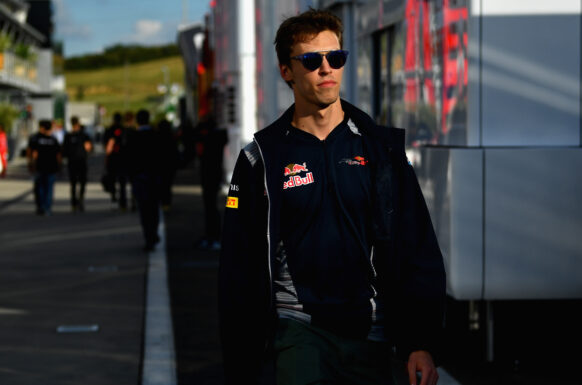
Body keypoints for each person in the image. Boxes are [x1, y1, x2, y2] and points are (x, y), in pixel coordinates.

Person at [218, 9, 446, 385]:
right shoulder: (261, 156)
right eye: (312, 60)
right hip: (298, 331)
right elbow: (237, 271)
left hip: (371, 332)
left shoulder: (382, 150)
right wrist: (241, 365)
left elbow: (416, 246)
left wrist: (419, 343)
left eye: (335, 58)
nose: (326, 69)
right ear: (286, 71)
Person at [126, 109, 165, 251]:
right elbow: (163, 158)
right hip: (154, 178)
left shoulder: (133, 137)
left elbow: (128, 159)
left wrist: (131, 177)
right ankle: (152, 234)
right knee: (154, 209)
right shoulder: (156, 135)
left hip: (140, 178)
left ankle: (149, 237)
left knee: (144, 210)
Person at [195, 115, 227, 250]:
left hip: (209, 176)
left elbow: (197, 136)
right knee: (212, 207)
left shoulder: (210, 139)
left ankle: (213, 236)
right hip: (215, 175)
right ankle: (212, 235)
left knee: (210, 208)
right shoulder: (218, 137)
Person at [27, 119, 62, 215]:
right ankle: (47, 207)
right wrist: (59, 166)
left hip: (40, 166)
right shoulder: (53, 140)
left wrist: (30, 163)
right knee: (49, 188)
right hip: (51, 167)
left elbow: (32, 153)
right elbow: (58, 154)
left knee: (40, 188)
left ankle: (41, 206)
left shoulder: (36, 138)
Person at [62, 116, 93, 212]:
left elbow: (64, 150)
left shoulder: (68, 136)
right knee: (82, 182)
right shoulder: (83, 135)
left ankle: (73, 203)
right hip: (81, 161)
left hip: (72, 162)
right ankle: (80, 199)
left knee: (73, 183)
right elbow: (88, 148)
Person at [104, 112, 130, 210]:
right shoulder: (125, 130)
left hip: (113, 159)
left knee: (112, 178)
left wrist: (107, 157)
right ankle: (123, 203)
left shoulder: (110, 130)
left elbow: (108, 144)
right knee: (122, 182)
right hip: (123, 159)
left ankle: (114, 194)